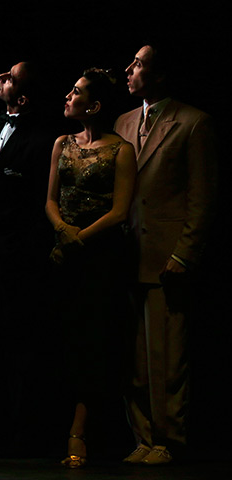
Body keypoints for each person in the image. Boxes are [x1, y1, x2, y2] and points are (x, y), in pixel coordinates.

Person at [115, 45, 218, 466]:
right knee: (133, 356)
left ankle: (168, 439)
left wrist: (186, 252)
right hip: (125, 255)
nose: (129, 68)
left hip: (165, 255)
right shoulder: (121, 122)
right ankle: (141, 435)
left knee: (167, 355)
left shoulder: (193, 123)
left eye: (138, 63)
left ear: (160, 74)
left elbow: (202, 196)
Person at [45, 68, 136, 468]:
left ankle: (81, 432)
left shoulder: (121, 150)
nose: (68, 95)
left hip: (100, 258)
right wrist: (62, 230)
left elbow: (120, 211)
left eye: (76, 92)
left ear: (94, 105)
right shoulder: (61, 142)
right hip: (62, 254)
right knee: (61, 339)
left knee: (94, 341)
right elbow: (49, 199)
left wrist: (78, 237)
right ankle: (54, 426)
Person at [0, 62, 57, 457]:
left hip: (19, 257)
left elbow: (34, 204)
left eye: (8, 78)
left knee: (23, 344)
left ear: (23, 97)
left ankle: (26, 433)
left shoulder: (43, 139)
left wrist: (16, 251)